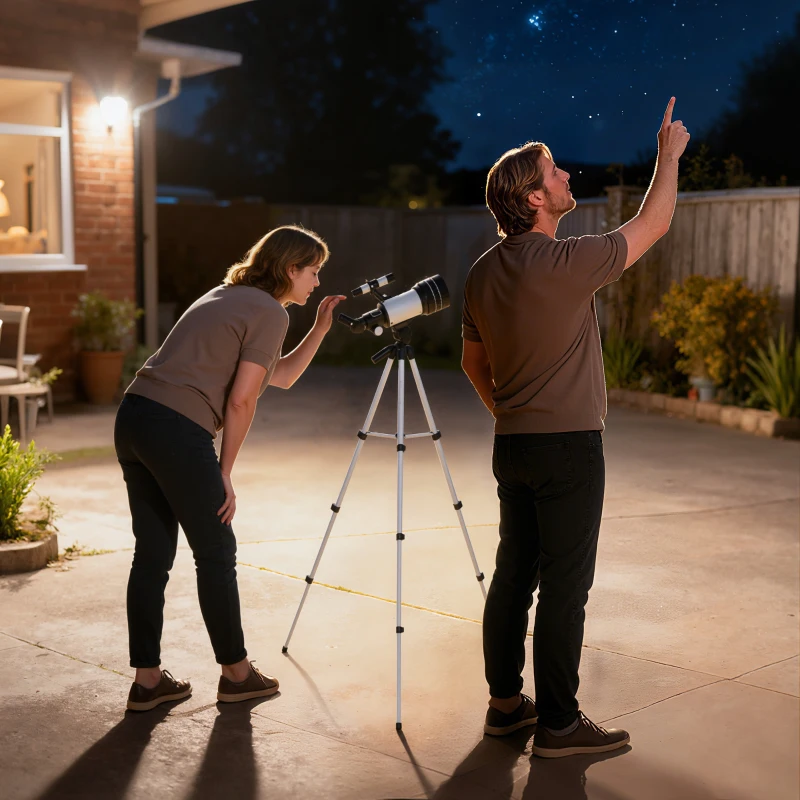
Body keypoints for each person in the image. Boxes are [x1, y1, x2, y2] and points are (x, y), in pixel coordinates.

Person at [461, 98, 690, 756]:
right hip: (569, 452)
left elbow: (473, 362)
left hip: (515, 448)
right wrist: (668, 155)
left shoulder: (482, 274)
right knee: (565, 588)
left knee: (513, 577)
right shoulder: (565, 263)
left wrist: (508, 414)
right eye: (555, 173)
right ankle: (559, 724)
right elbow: (655, 222)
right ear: (533, 197)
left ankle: (506, 708)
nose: (566, 178)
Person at [115, 224, 346, 712]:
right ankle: (237, 675)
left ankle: (148, 682)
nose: (318, 282)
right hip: (178, 428)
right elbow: (242, 401)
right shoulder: (267, 311)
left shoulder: (228, 295)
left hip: (135, 416)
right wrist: (224, 471)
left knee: (152, 554)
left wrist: (320, 329)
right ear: (290, 269)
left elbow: (277, 377)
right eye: (314, 271)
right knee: (216, 548)